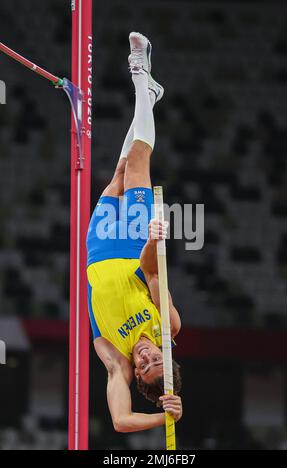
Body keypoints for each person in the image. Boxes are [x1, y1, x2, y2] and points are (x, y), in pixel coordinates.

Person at [86, 32, 182, 433]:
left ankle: (151, 94)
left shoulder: (116, 362)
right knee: (140, 160)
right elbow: (152, 271)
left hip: (99, 250)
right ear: (166, 353)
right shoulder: (168, 325)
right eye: (155, 359)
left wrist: (165, 417)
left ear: (137, 376)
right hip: (133, 245)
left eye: (144, 367)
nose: (144, 357)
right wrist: (154, 239)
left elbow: (122, 421)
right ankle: (139, 72)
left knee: (119, 174)